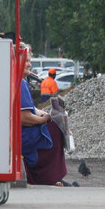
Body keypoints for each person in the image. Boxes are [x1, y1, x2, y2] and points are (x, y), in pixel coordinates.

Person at [19, 46, 71, 186]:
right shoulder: (20, 82)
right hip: (22, 135)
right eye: (27, 61)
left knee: (54, 125)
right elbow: (24, 118)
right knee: (55, 130)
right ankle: (47, 176)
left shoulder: (18, 81)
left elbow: (31, 109)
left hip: (18, 132)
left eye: (30, 61)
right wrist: (46, 119)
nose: (30, 64)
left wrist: (45, 114)